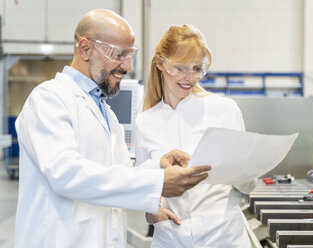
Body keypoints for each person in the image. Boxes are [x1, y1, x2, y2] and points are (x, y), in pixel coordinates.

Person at [14, 10, 211, 248]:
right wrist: (156, 182)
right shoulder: (49, 99)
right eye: (119, 54)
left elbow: (117, 172)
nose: (127, 65)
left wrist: (156, 166)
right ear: (86, 49)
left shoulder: (106, 114)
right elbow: (66, 173)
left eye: (130, 55)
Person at [134, 24, 256, 247]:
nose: (189, 78)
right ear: (160, 63)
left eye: (197, 68)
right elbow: (143, 184)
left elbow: (248, 185)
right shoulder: (145, 122)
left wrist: (245, 170)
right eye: (180, 68)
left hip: (223, 236)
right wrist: (151, 213)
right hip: (170, 238)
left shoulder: (224, 110)